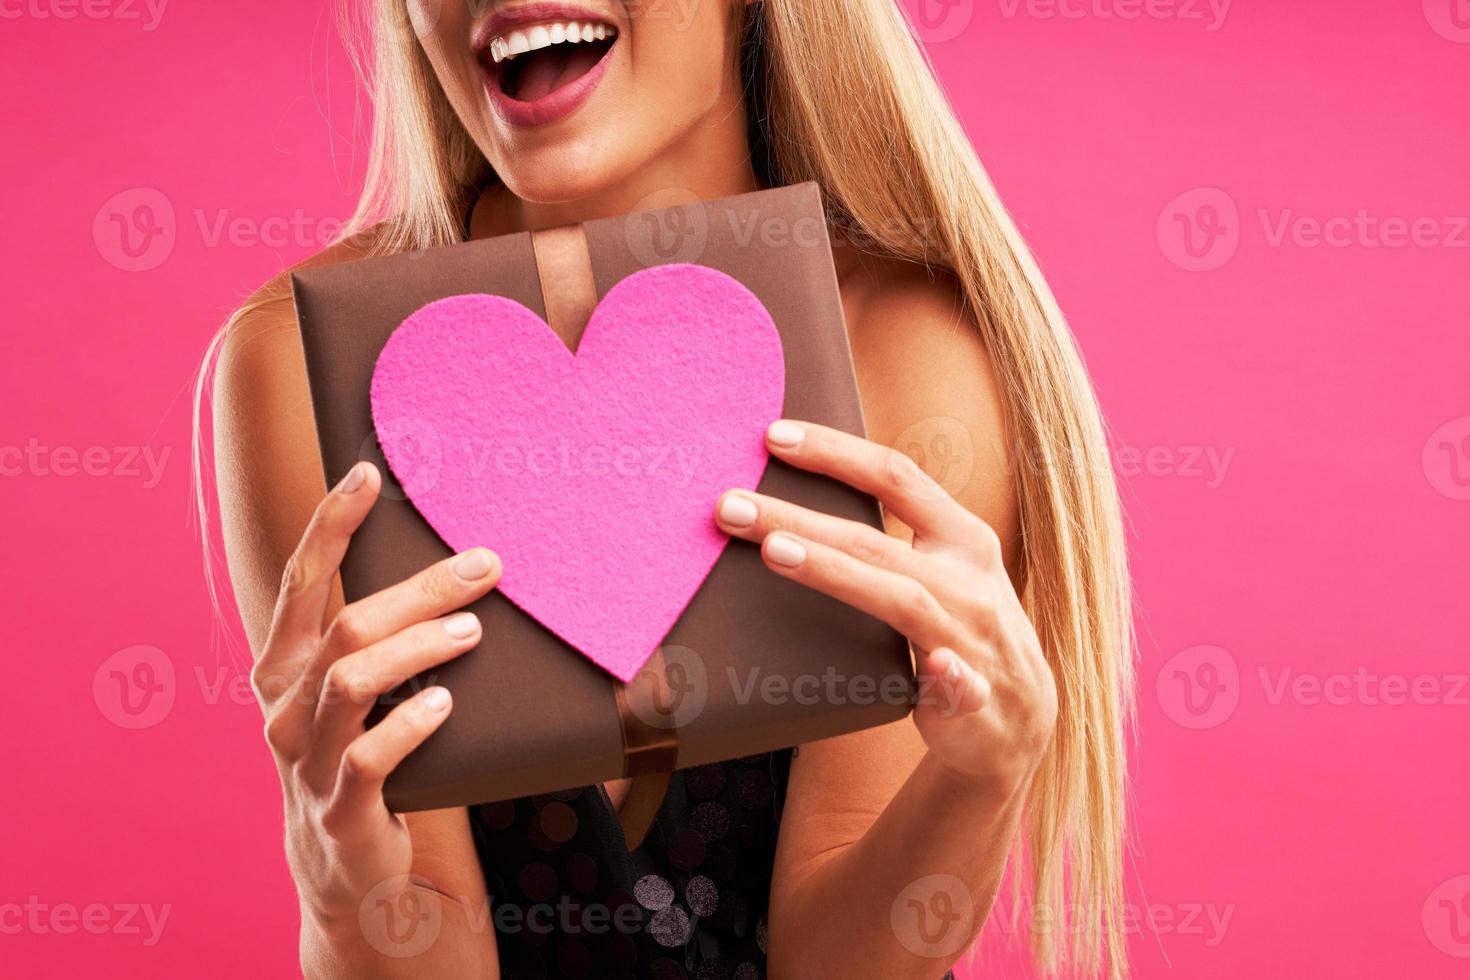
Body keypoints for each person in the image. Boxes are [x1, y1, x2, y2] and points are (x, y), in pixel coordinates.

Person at [198, 2, 1133, 977]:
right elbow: (417, 935)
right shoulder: (307, 362)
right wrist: (346, 887)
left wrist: (977, 778)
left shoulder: (906, 353)